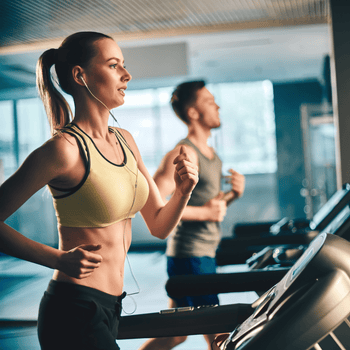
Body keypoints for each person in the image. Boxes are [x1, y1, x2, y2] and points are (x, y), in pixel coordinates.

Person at [0, 32, 198, 350]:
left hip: (112, 305)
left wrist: (183, 191)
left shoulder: (125, 140)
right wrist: (58, 259)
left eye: (123, 65)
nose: (126, 74)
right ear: (81, 75)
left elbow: (159, 225)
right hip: (73, 309)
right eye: (114, 65)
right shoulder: (63, 150)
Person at [139, 81, 245, 350]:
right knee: (220, 336)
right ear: (193, 112)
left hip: (201, 254)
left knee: (176, 334)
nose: (217, 105)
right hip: (190, 256)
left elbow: (211, 209)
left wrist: (232, 196)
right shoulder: (183, 153)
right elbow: (155, 202)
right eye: (209, 101)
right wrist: (204, 212)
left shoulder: (212, 155)